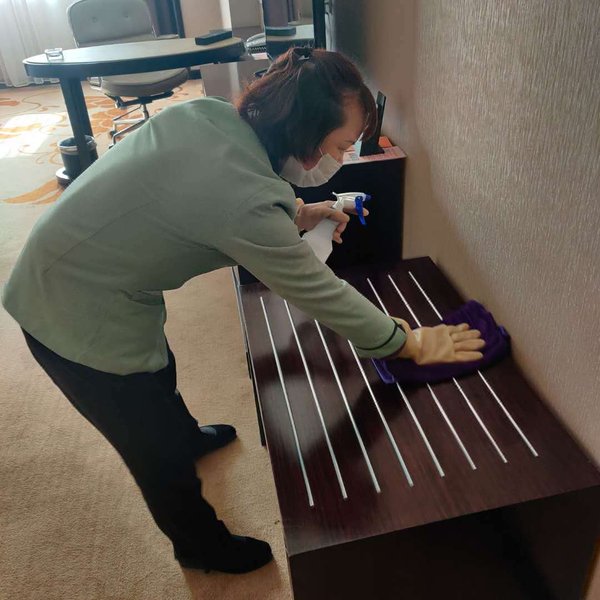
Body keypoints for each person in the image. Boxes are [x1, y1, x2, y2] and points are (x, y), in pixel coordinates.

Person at [2, 47, 484, 574]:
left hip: (77, 260)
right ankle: (200, 547)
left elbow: (222, 189)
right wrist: (404, 341)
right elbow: (315, 288)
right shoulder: (245, 202)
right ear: (303, 134)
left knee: (158, 370)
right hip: (68, 308)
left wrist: (298, 212)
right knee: (150, 442)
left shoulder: (209, 115)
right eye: (341, 146)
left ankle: (187, 438)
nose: (341, 158)